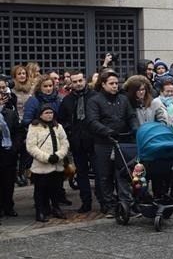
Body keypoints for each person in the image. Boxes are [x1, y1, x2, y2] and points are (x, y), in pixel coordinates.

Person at [86, 71, 139, 216]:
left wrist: (135, 128)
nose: (115, 86)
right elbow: (92, 121)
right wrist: (107, 131)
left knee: (123, 174)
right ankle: (108, 204)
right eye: (111, 83)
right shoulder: (94, 100)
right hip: (104, 143)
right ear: (103, 84)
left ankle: (126, 203)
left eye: (116, 83)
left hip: (123, 141)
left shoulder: (123, 99)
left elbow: (131, 116)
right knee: (104, 175)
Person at [58, 71, 98, 213]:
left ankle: (103, 201)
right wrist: (70, 130)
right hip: (77, 142)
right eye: (75, 82)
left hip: (94, 140)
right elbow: (61, 120)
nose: (78, 84)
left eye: (80, 80)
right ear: (71, 83)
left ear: (85, 80)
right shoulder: (67, 100)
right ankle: (85, 202)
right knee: (81, 173)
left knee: (99, 172)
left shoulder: (95, 96)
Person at [26, 104, 69, 222]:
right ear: (40, 114)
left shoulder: (58, 126)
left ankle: (56, 208)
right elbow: (31, 147)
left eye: (51, 113)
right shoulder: (34, 127)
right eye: (46, 113)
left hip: (57, 164)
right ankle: (40, 210)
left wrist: (59, 155)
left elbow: (64, 142)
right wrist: (46, 157)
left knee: (56, 188)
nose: (49, 115)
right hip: (41, 165)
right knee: (40, 190)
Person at [151, 78, 173, 198]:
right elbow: (151, 121)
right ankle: (161, 195)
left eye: (172, 91)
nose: (170, 94)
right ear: (161, 91)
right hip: (163, 143)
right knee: (163, 172)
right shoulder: (156, 102)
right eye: (167, 91)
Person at [0, 80, 20, 221]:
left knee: (8, 181)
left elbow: (18, 132)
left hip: (8, 151)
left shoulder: (11, 114)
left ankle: (9, 206)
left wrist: (14, 148)